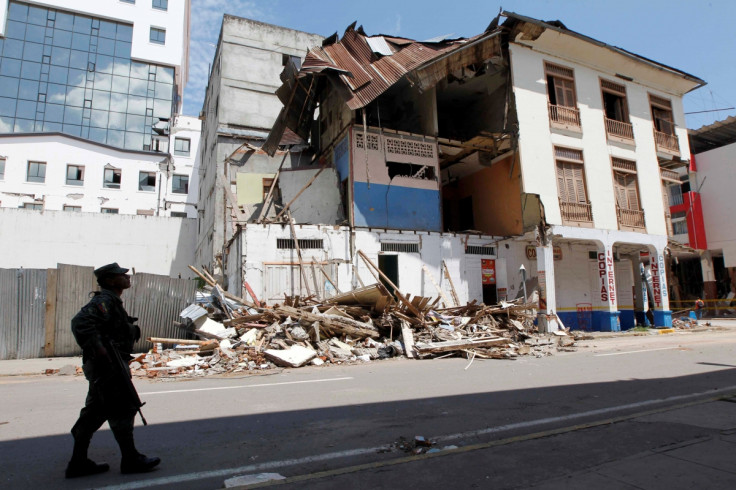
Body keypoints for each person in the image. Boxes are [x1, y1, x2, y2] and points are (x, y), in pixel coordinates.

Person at [65, 263, 160, 478]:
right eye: (121, 275)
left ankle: (78, 462)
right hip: (108, 367)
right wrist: (102, 352)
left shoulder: (112, 301)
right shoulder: (104, 300)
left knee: (95, 411)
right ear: (109, 280)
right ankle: (131, 459)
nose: (127, 277)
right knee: (122, 409)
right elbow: (80, 323)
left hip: (109, 366)